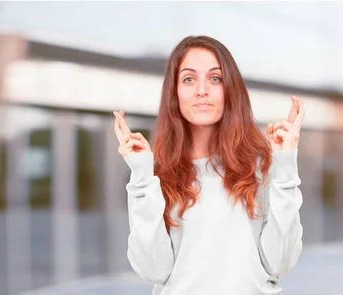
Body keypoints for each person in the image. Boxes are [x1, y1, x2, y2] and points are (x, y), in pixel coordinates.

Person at [112, 35, 305, 295]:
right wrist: (142, 176)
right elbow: (153, 269)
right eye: (189, 79)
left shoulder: (262, 167)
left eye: (215, 78)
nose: (202, 90)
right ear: (174, 92)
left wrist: (285, 164)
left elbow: (279, 261)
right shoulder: (156, 175)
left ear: (230, 90)